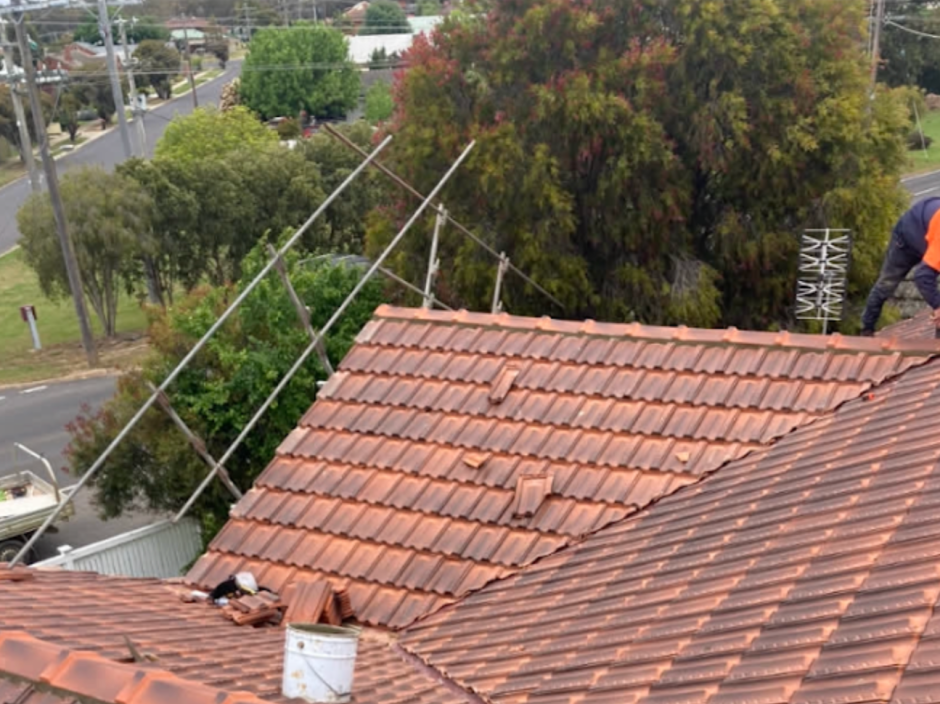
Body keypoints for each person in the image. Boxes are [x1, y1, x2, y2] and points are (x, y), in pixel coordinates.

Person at [861, 196, 940, 336]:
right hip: (906, 240)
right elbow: (922, 276)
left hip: (929, 226)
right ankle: (867, 329)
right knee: (886, 284)